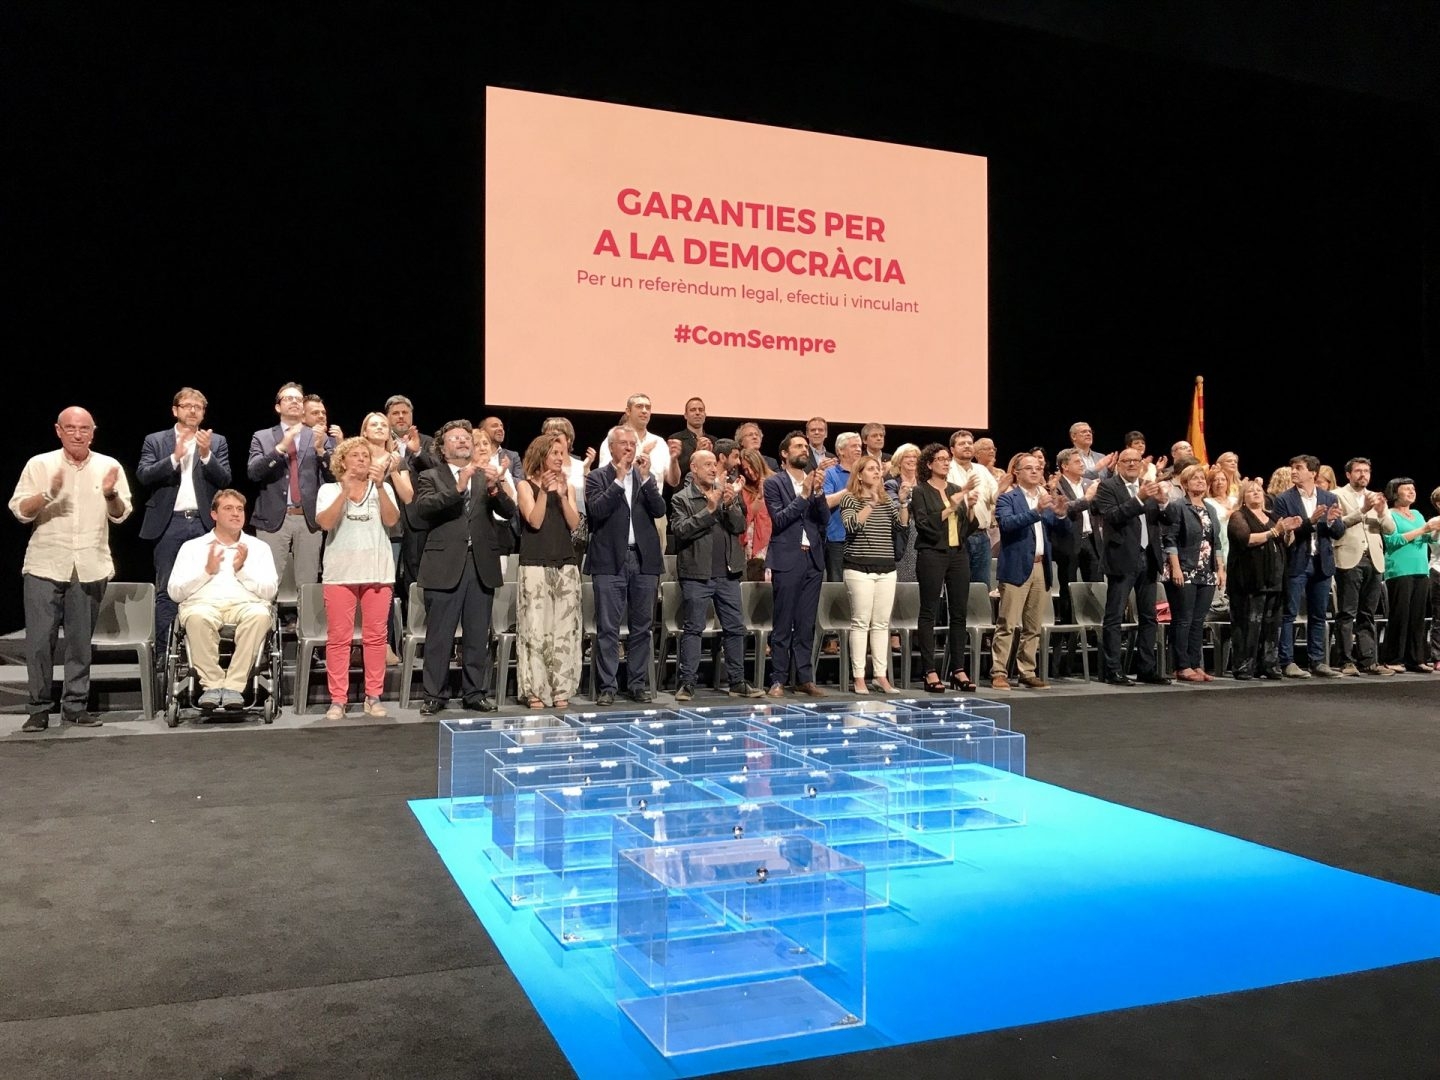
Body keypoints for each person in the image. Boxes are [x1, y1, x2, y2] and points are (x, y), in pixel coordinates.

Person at [10, 406, 132, 731]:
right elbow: (20, 511)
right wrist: (48, 494)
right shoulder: (40, 464)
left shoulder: (110, 466)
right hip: (45, 563)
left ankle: (75, 706)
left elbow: (121, 514)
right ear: (58, 430)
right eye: (71, 428)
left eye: (84, 428)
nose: (78, 434)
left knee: (80, 642)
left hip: (90, 564)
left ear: (93, 432)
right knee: (39, 642)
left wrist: (110, 494)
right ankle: (38, 708)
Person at [412, 420, 516, 715]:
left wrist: (497, 489)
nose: (462, 441)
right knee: (439, 635)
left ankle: (475, 692)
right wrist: (458, 488)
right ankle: (434, 694)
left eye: (466, 438)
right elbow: (424, 510)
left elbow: (509, 513)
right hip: (444, 564)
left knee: (476, 634)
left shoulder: (485, 476)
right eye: (455, 438)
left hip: (479, 563)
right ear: (443, 449)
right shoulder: (431, 475)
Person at [136, 388, 232, 653]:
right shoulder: (156, 441)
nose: (193, 410)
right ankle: (166, 656)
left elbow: (224, 480)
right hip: (169, 523)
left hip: (203, 524)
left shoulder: (216, 441)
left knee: (207, 585)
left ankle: (202, 653)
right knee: (168, 589)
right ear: (175, 410)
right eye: (187, 405)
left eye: (198, 407)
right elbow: (144, 475)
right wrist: (174, 458)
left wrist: (205, 455)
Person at [168, 489, 278, 710]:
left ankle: (234, 687)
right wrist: (206, 571)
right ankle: (212, 685)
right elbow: (175, 592)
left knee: (259, 616)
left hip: (246, 605)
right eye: (228, 508)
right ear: (214, 514)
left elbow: (269, 592)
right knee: (197, 618)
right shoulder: (193, 548)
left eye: (239, 509)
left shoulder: (259, 548)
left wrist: (242, 570)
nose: (236, 514)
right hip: (204, 605)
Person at [315, 437, 400, 719]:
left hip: (377, 571)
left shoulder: (383, 487)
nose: (362, 459)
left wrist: (378, 486)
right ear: (343, 461)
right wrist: (345, 489)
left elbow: (391, 520)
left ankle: (373, 696)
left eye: (366, 455)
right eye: (356, 455)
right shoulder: (328, 489)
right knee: (339, 638)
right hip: (340, 573)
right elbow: (325, 523)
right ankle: (338, 699)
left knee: (376, 638)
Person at [669, 449, 764, 700]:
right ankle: (687, 683)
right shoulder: (682, 498)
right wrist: (709, 509)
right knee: (694, 628)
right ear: (694, 468)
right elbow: (681, 530)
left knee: (735, 628)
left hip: (728, 574)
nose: (713, 469)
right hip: (697, 575)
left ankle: (737, 682)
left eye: (714, 464)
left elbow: (740, 526)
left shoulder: (728, 495)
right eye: (707, 464)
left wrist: (731, 504)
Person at [585, 425, 664, 705]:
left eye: (633, 443)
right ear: (611, 447)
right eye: (624, 444)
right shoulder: (597, 477)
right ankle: (607, 686)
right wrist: (618, 482)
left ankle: (637, 683)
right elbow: (596, 512)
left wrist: (646, 480)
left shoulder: (645, 478)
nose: (630, 448)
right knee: (608, 627)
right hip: (609, 560)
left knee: (642, 627)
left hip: (644, 560)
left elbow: (659, 510)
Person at [1093, 447, 1177, 686]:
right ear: (1118, 464)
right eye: (1126, 461)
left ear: (1141, 464)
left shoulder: (1148, 486)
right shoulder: (1108, 487)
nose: (1131, 464)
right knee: (1114, 616)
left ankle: (1146, 669)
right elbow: (1112, 517)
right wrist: (1139, 498)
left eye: (1136, 461)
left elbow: (1170, 520)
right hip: (1122, 559)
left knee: (1149, 617)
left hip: (1148, 558)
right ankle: (1113, 670)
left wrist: (1162, 503)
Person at [516, 432, 584, 709]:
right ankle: (535, 690)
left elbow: (574, 523)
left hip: (565, 563)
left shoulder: (567, 487)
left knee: (564, 630)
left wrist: (563, 494)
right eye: (554, 453)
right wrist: (544, 491)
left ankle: (561, 689)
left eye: (562, 454)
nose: (559, 458)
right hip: (535, 564)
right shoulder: (524, 485)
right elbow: (534, 520)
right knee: (535, 630)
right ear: (541, 454)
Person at [991, 453, 1069, 690]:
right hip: (1016, 567)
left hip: (1040, 567)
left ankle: (1027, 671)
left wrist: (1062, 513)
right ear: (1017, 472)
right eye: (1029, 468)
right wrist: (1035, 511)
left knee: (1033, 626)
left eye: (1038, 468)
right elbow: (1007, 525)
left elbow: (1061, 530)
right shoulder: (1008, 498)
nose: (1035, 472)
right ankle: (999, 672)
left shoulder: (1045, 498)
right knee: (1008, 624)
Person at [763, 431, 830, 696]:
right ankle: (778, 679)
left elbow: (823, 519)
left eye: (805, 447)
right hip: (787, 558)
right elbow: (779, 520)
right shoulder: (774, 483)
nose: (804, 450)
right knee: (783, 622)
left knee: (806, 623)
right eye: (798, 446)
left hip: (812, 559)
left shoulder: (814, 482)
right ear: (784, 453)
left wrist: (820, 493)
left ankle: (805, 677)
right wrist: (803, 496)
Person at [247, 382, 333, 589]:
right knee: (268, 581)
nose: (294, 401)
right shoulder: (263, 436)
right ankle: (266, 621)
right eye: (288, 398)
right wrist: (281, 448)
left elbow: (333, 478)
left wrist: (322, 451)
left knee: (308, 583)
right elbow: (253, 473)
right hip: (273, 518)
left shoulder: (318, 437)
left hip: (308, 519)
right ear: (278, 407)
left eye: (298, 399)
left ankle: (305, 622)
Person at [1271, 455, 1346, 678]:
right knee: (1289, 613)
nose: (1293, 472)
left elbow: (1339, 532)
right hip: (1296, 561)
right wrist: (1311, 521)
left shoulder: (1329, 496)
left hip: (1321, 562)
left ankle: (1317, 661)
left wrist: (1331, 522)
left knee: (1318, 614)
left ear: (1312, 472)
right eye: (1292, 468)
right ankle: (1287, 661)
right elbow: (1286, 531)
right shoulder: (1284, 499)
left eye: (1298, 468)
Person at [912, 442, 978, 691]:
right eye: (940, 459)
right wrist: (952, 504)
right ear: (929, 464)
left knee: (959, 612)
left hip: (957, 553)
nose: (945, 462)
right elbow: (924, 524)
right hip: (932, 553)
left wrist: (969, 506)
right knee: (929, 610)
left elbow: (966, 528)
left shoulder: (955, 488)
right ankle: (930, 671)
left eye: (947, 459)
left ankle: (958, 669)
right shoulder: (921, 491)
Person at [840, 456, 906, 694]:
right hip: (859, 568)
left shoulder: (887, 500)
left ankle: (880, 675)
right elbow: (851, 527)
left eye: (878, 469)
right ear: (859, 474)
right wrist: (870, 504)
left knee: (881, 624)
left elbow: (901, 527)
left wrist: (904, 504)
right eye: (871, 469)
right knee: (861, 622)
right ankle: (859, 677)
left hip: (886, 568)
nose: (877, 473)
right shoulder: (850, 498)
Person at [1331, 457, 1395, 676]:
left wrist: (1382, 510)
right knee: (1347, 612)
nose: (1363, 475)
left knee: (1367, 613)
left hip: (1374, 560)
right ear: (1348, 474)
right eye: (1358, 471)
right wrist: (1363, 510)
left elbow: (1389, 529)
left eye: (1366, 471)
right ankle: (1346, 661)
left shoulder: (1375, 497)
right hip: (1349, 558)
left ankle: (1368, 660)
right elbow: (1338, 525)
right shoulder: (1338, 495)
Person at [1225, 480, 1295, 679]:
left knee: (1271, 625)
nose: (1256, 493)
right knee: (1249, 624)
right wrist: (1274, 532)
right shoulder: (1239, 516)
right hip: (1249, 580)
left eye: (1258, 490)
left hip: (1274, 579)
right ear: (1243, 498)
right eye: (1250, 491)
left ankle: (1269, 665)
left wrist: (1288, 531)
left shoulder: (1272, 516)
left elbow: (1287, 543)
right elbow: (1244, 539)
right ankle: (1245, 666)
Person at [1162, 465, 1225, 682]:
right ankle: (1181, 666)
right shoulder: (1178, 506)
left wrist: (1220, 568)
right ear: (1185, 484)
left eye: (1201, 478)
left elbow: (1215, 541)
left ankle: (1196, 664)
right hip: (1184, 569)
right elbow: (1169, 538)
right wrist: (1176, 567)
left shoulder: (1210, 508)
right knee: (1183, 619)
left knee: (1199, 620)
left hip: (1206, 571)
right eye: (1194, 478)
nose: (1199, 481)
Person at [1379, 477, 1439, 673]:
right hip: (1400, 570)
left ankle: (1416, 658)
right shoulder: (1390, 514)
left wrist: (1434, 531)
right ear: (1395, 493)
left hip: (1420, 569)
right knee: (1400, 615)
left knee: (1417, 617)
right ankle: (1393, 658)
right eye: (1406, 489)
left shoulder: (1417, 513)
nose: (1412, 492)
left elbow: (1427, 537)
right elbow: (1393, 541)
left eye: (1413, 489)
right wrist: (1424, 529)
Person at [359, 411, 415, 577]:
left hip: (391, 532)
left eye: (383, 425)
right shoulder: (356, 459)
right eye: (374, 424)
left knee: (385, 583)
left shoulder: (397, 460)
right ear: (364, 432)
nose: (379, 428)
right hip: (360, 529)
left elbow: (408, 496)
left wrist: (394, 472)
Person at [947, 430, 996, 587]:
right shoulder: (947, 470)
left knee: (982, 586)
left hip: (982, 536)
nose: (967, 446)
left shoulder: (981, 470)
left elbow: (994, 498)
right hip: (958, 536)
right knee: (958, 586)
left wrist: (1001, 489)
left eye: (969, 443)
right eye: (962, 443)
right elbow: (946, 500)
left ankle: (978, 613)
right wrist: (964, 491)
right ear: (952, 449)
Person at [822, 432, 862, 581]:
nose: (858, 449)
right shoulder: (830, 474)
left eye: (859, 446)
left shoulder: (866, 473)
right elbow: (825, 502)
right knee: (837, 585)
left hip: (862, 539)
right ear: (840, 451)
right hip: (838, 539)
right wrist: (849, 489)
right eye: (853, 446)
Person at [884, 444, 920, 583]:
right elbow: (894, 507)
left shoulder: (924, 484)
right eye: (907, 457)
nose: (912, 460)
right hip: (903, 533)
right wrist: (903, 500)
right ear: (899, 461)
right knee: (905, 576)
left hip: (923, 533)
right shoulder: (892, 484)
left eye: (915, 457)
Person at [738, 447, 774, 581]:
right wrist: (759, 496)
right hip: (752, 545)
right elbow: (746, 516)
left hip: (773, 541)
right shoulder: (744, 489)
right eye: (745, 470)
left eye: (752, 467)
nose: (750, 473)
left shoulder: (777, 481)